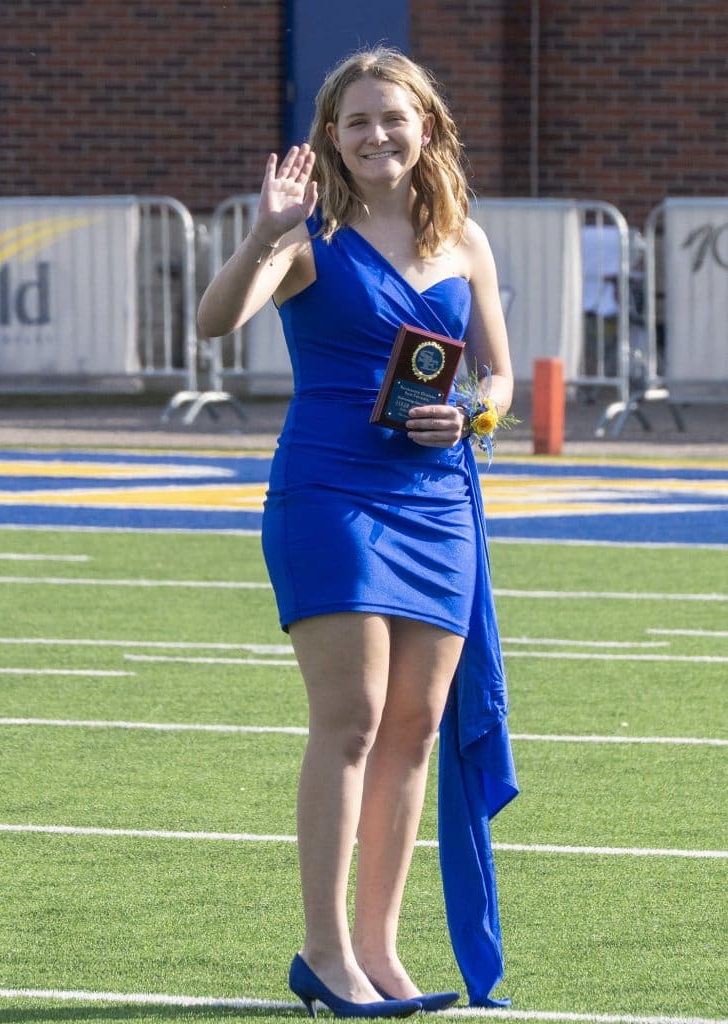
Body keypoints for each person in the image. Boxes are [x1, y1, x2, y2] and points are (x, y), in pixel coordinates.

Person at [198, 47, 518, 1017]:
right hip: (330, 494)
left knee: (415, 730)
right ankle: (324, 953)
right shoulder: (309, 236)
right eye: (354, 121)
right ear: (329, 139)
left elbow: (499, 382)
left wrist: (468, 419)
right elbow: (216, 323)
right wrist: (266, 234)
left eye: (392, 117)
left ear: (426, 127)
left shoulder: (462, 238)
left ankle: (380, 951)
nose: (375, 135)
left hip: (436, 500)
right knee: (351, 721)